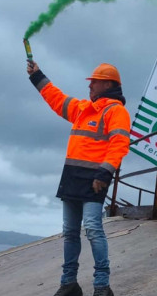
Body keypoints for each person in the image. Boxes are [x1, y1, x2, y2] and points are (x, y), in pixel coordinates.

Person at [27, 60, 130, 296]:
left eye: (94, 82)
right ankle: (69, 284)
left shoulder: (116, 112)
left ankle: (102, 286)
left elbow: (119, 144)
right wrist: (37, 76)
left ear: (107, 84)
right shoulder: (83, 109)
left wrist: (105, 173)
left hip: (95, 180)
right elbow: (56, 99)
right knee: (70, 232)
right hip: (72, 178)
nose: (90, 85)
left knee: (93, 228)